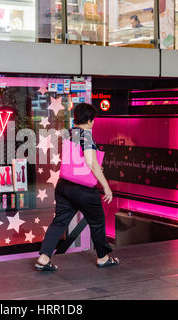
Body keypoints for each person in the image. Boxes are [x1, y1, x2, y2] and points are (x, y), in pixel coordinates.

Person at [35, 103, 120, 271]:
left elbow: (76, 160)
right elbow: (91, 162)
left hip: (64, 185)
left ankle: (44, 257)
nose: (94, 123)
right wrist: (106, 186)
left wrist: (91, 166)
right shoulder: (87, 135)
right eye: (93, 119)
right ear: (88, 120)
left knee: (59, 222)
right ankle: (103, 257)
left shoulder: (68, 133)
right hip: (83, 189)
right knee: (97, 221)